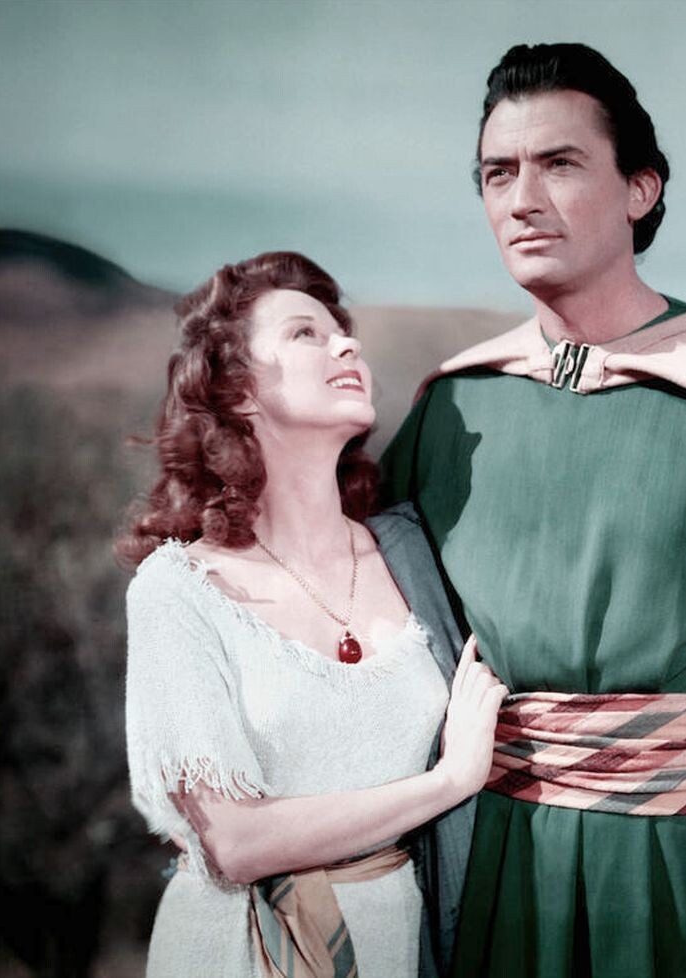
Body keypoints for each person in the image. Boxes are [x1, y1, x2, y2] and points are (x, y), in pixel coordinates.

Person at [383, 43, 686, 978]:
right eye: (497, 173)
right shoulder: (453, 408)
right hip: (492, 857)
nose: (521, 199)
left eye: (558, 164)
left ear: (639, 189)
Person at [120, 251, 507, 978]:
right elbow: (235, 844)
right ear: (238, 391)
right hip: (242, 949)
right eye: (306, 334)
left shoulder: (411, 556)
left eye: (344, 333)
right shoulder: (180, 591)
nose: (346, 346)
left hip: (402, 941)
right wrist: (449, 781)